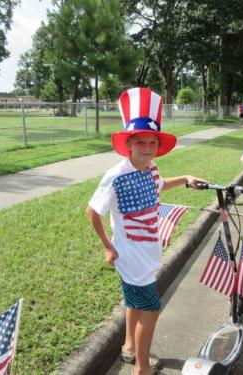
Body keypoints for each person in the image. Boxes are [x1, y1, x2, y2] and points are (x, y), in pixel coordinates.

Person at [86, 87, 207, 375]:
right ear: (128, 144)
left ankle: (129, 347)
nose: (148, 147)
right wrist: (108, 245)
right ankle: (141, 369)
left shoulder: (151, 169)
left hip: (149, 251)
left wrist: (186, 178)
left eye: (152, 141)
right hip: (131, 256)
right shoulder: (116, 176)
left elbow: (160, 185)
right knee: (151, 309)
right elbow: (93, 211)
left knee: (135, 303)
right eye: (141, 141)